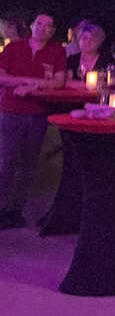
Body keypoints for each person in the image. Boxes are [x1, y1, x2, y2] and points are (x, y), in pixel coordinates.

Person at [0, 11, 68, 228]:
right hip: (11, 112)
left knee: (28, 164)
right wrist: (30, 81)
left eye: (48, 26)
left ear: (53, 31)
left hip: (38, 113)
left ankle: (15, 210)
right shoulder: (14, 48)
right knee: (6, 162)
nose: (42, 28)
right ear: (32, 26)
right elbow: (1, 77)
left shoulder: (57, 51)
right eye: (39, 24)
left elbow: (58, 82)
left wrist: (31, 88)